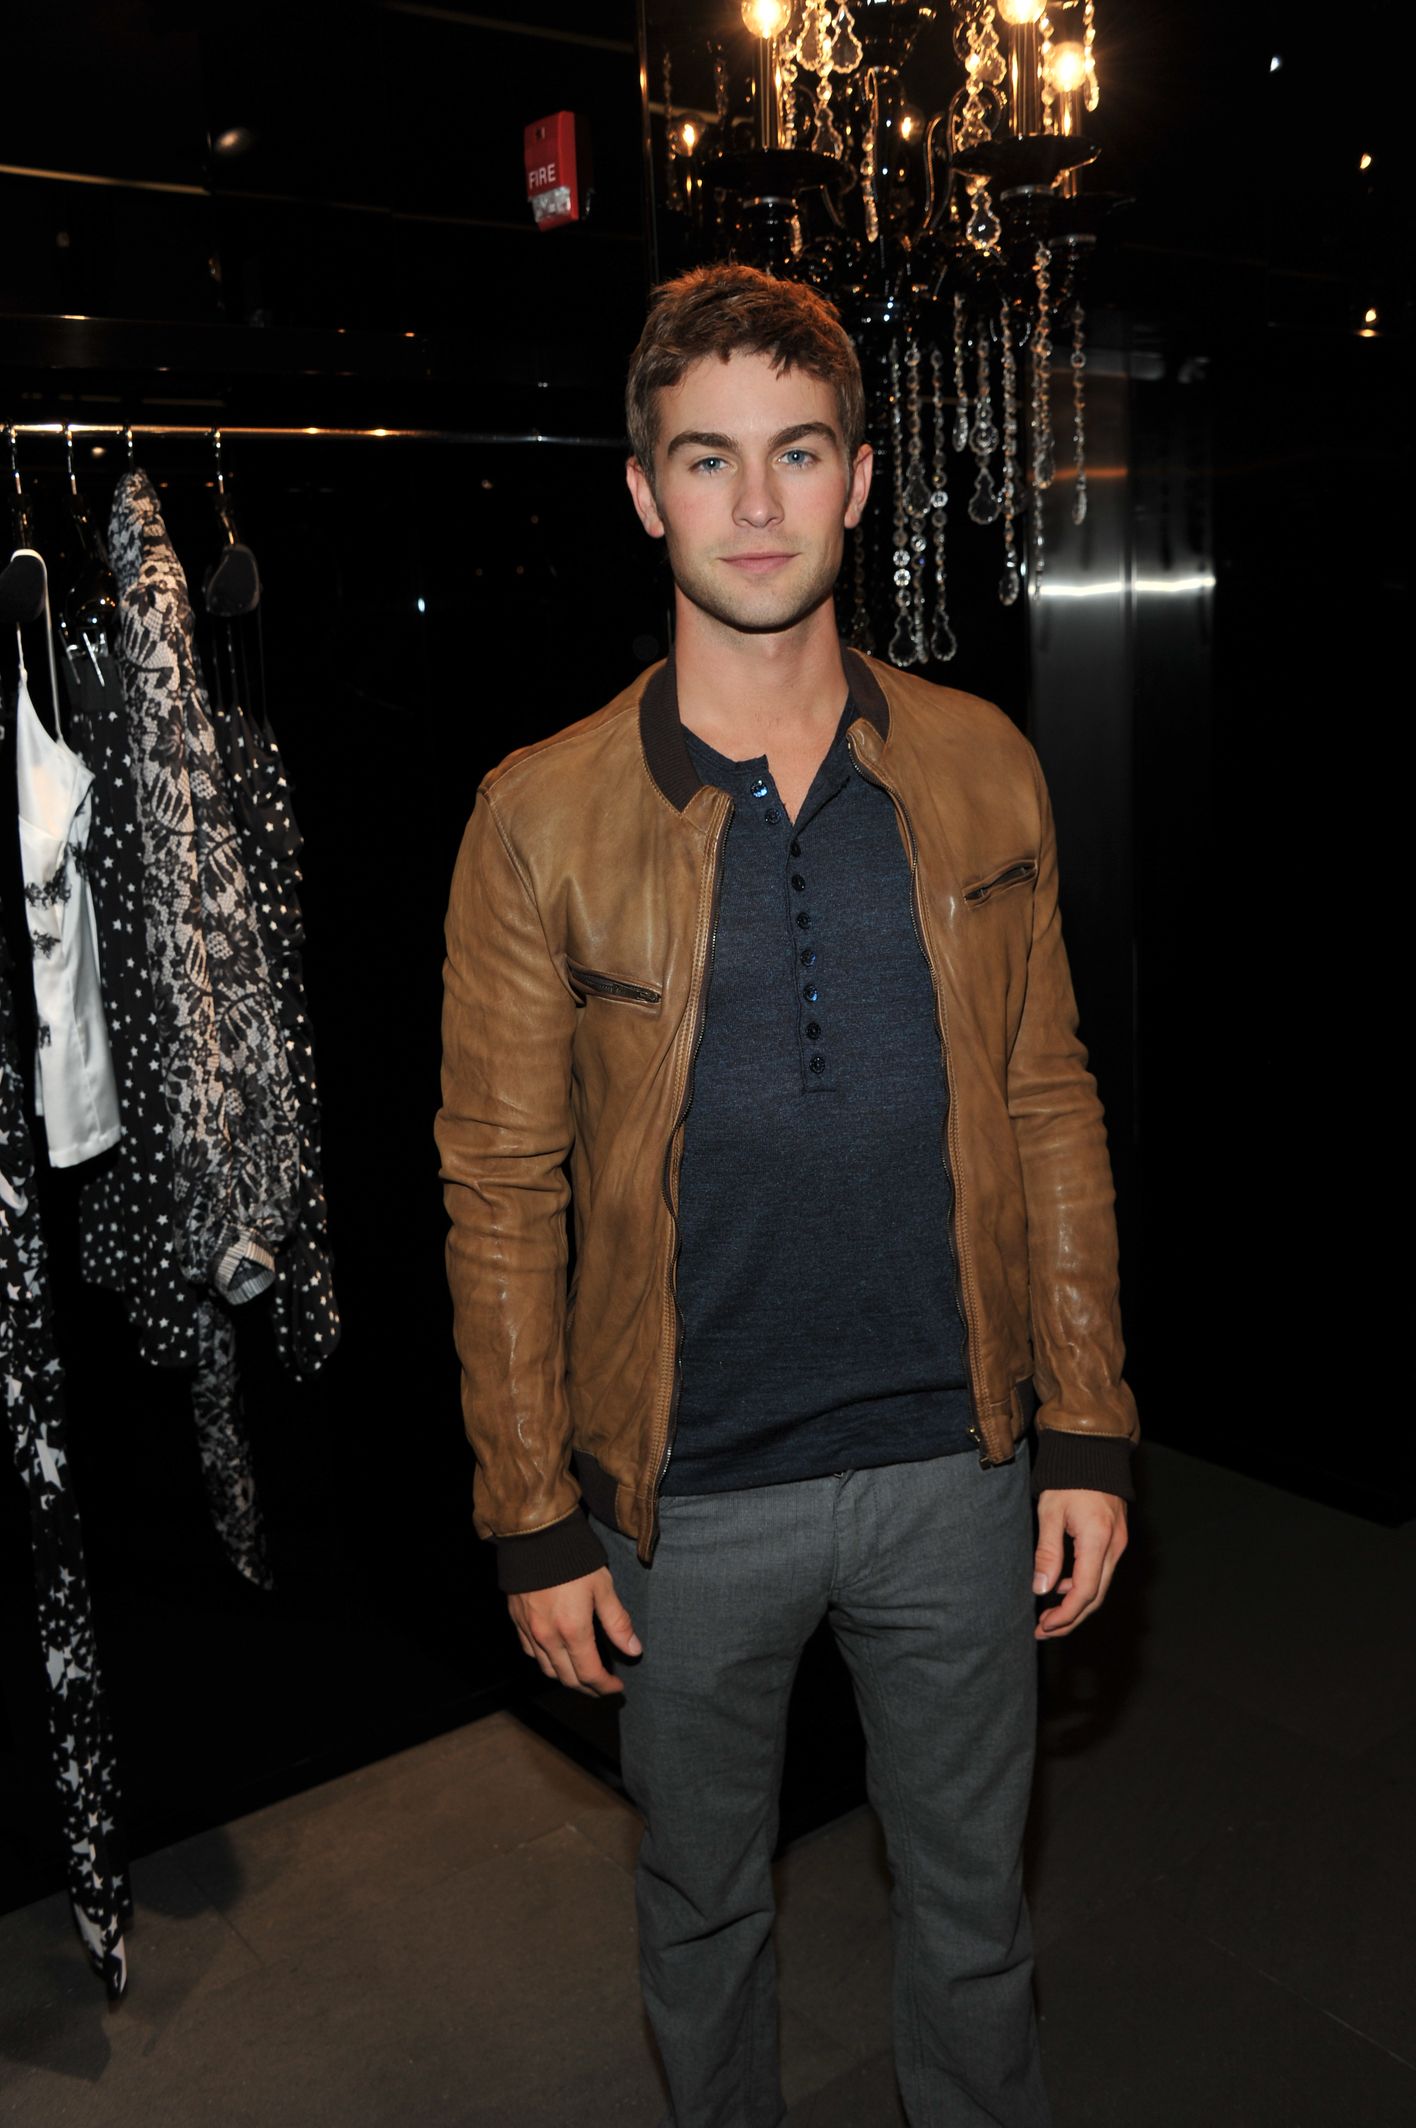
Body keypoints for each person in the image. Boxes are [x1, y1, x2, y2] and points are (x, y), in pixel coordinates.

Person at [436, 263, 1137, 2128]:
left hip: (956, 1466)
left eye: (799, 453)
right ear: (645, 491)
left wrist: (1087, 1422)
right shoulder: (538, 816)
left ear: (861, 479)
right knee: (701, 1913)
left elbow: (1048, 1100)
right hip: (683, 1500)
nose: (757, 505)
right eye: (709, 459)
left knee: (975, 1926)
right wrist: (531, 1512)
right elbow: (499, 1186)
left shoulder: (982, 763)